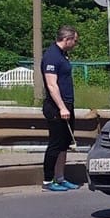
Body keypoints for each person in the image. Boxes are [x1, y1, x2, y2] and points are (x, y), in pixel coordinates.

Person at [40, 24, 80, 192]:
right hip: (56, 107)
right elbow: (52, 85)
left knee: (64, 144)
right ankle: (48, 180)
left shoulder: (63, 55)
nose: (76, 44)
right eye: (75, 41)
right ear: (67, 39)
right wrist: (62, 107)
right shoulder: (51, 56)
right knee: (55, 144)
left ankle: (60, 177)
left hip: (67, 105)